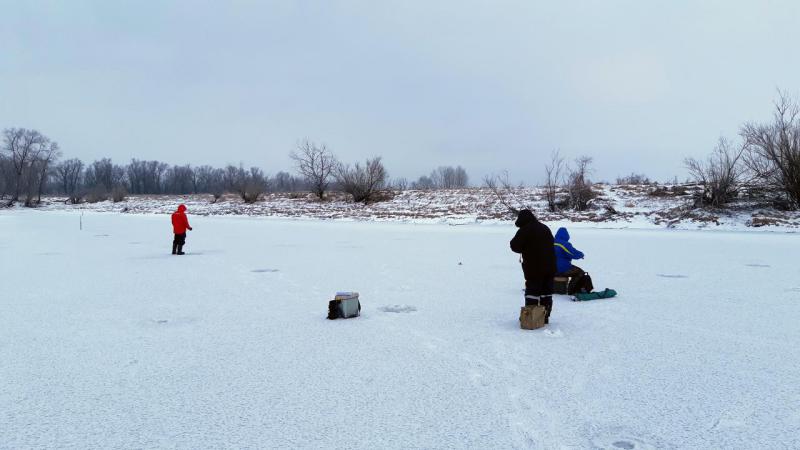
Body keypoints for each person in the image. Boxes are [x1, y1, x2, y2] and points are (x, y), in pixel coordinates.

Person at [510, 209, 557, 323]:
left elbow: (514, 245)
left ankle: (531, 318)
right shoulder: (545, 227)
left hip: (534, 268)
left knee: (532, 292)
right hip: (550, 267)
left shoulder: (525, 230)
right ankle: (545, 317)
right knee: (546, 291)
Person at [553, 227, 594, 294]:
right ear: (567, 236)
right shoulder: (565, 244)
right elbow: (573, 254)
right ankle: (571, 290)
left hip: (550, 268)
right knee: (580, 272)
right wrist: (581, 255)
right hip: (562, 269)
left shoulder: (551, 242)